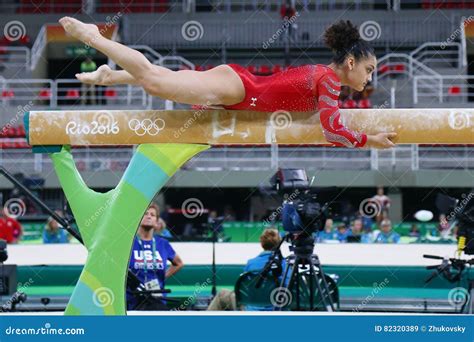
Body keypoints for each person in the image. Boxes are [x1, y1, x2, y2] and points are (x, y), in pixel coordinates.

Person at [59, 17, 397, 149]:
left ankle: (112, 75)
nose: (369, 78)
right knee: (155, 81)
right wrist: (372, 140)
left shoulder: (324, 77)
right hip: (237, 89)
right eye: (368, 69)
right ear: (350, 62)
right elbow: (332, 130)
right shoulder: (329, 81)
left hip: (237, 92)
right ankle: (95, 39)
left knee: (162, 80)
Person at [207, 228, 286, 311]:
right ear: (279, 244)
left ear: (262, 243)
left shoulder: (251, 263)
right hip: (276, 309)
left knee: (222, 294)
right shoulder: (285, 264)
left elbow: (244, 289)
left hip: (250, 309)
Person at [127, 203, 184, 310]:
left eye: (152, 215)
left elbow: (179, 263)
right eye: (145, 214)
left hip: (157, 299)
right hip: (133, 300)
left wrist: (163, 276)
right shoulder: (129, 243)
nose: (149, 216)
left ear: (157, 222)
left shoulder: (163, 243)